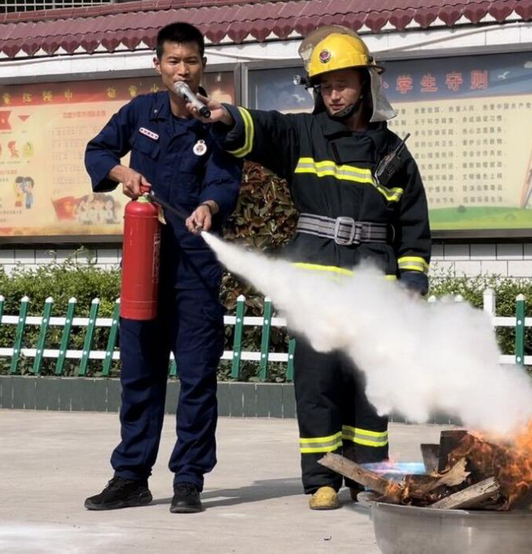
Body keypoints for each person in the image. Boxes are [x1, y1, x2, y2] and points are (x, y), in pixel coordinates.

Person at [192, 25, 431, 511]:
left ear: (365, 83)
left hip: (374, 290)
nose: (334, 93)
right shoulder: (302, 134)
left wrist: (412, 282)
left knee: (371, 388)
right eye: (324, 85)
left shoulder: (394, 154)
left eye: (342, 82)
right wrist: (226, 116)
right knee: (317, 384)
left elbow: (413, 226)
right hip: (317, 290)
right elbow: (261, 128)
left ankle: (366, 476)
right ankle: (321, 479)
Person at [83, 22, 242, 514]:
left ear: (203, 66)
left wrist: (209, 208)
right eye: (172, 61)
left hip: (195, 268)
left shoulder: (214, 122)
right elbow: (98, 150)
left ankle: (188, 480)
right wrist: (122, 171)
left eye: (190, 61)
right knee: (139, 374)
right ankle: (131, 476)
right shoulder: (140, 112)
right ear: (158, 66)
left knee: (196, 378)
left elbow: (225, 180)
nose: (181, 69)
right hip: (144, 263)